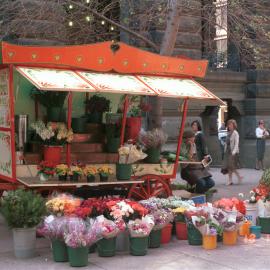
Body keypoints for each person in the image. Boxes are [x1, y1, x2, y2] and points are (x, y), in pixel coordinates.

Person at [223, 119, 243, 185]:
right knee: (230, 167)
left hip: (233, 152)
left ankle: (236, 178)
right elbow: (226, 142)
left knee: (231, 166)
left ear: (234, 125)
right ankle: (232, 179)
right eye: (228, 124)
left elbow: (237, 143)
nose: (229, 126)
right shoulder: (228, 133)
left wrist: (234, 152)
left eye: (231, 124)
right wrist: (225, 149)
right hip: (228, 151)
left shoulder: (235, 133)